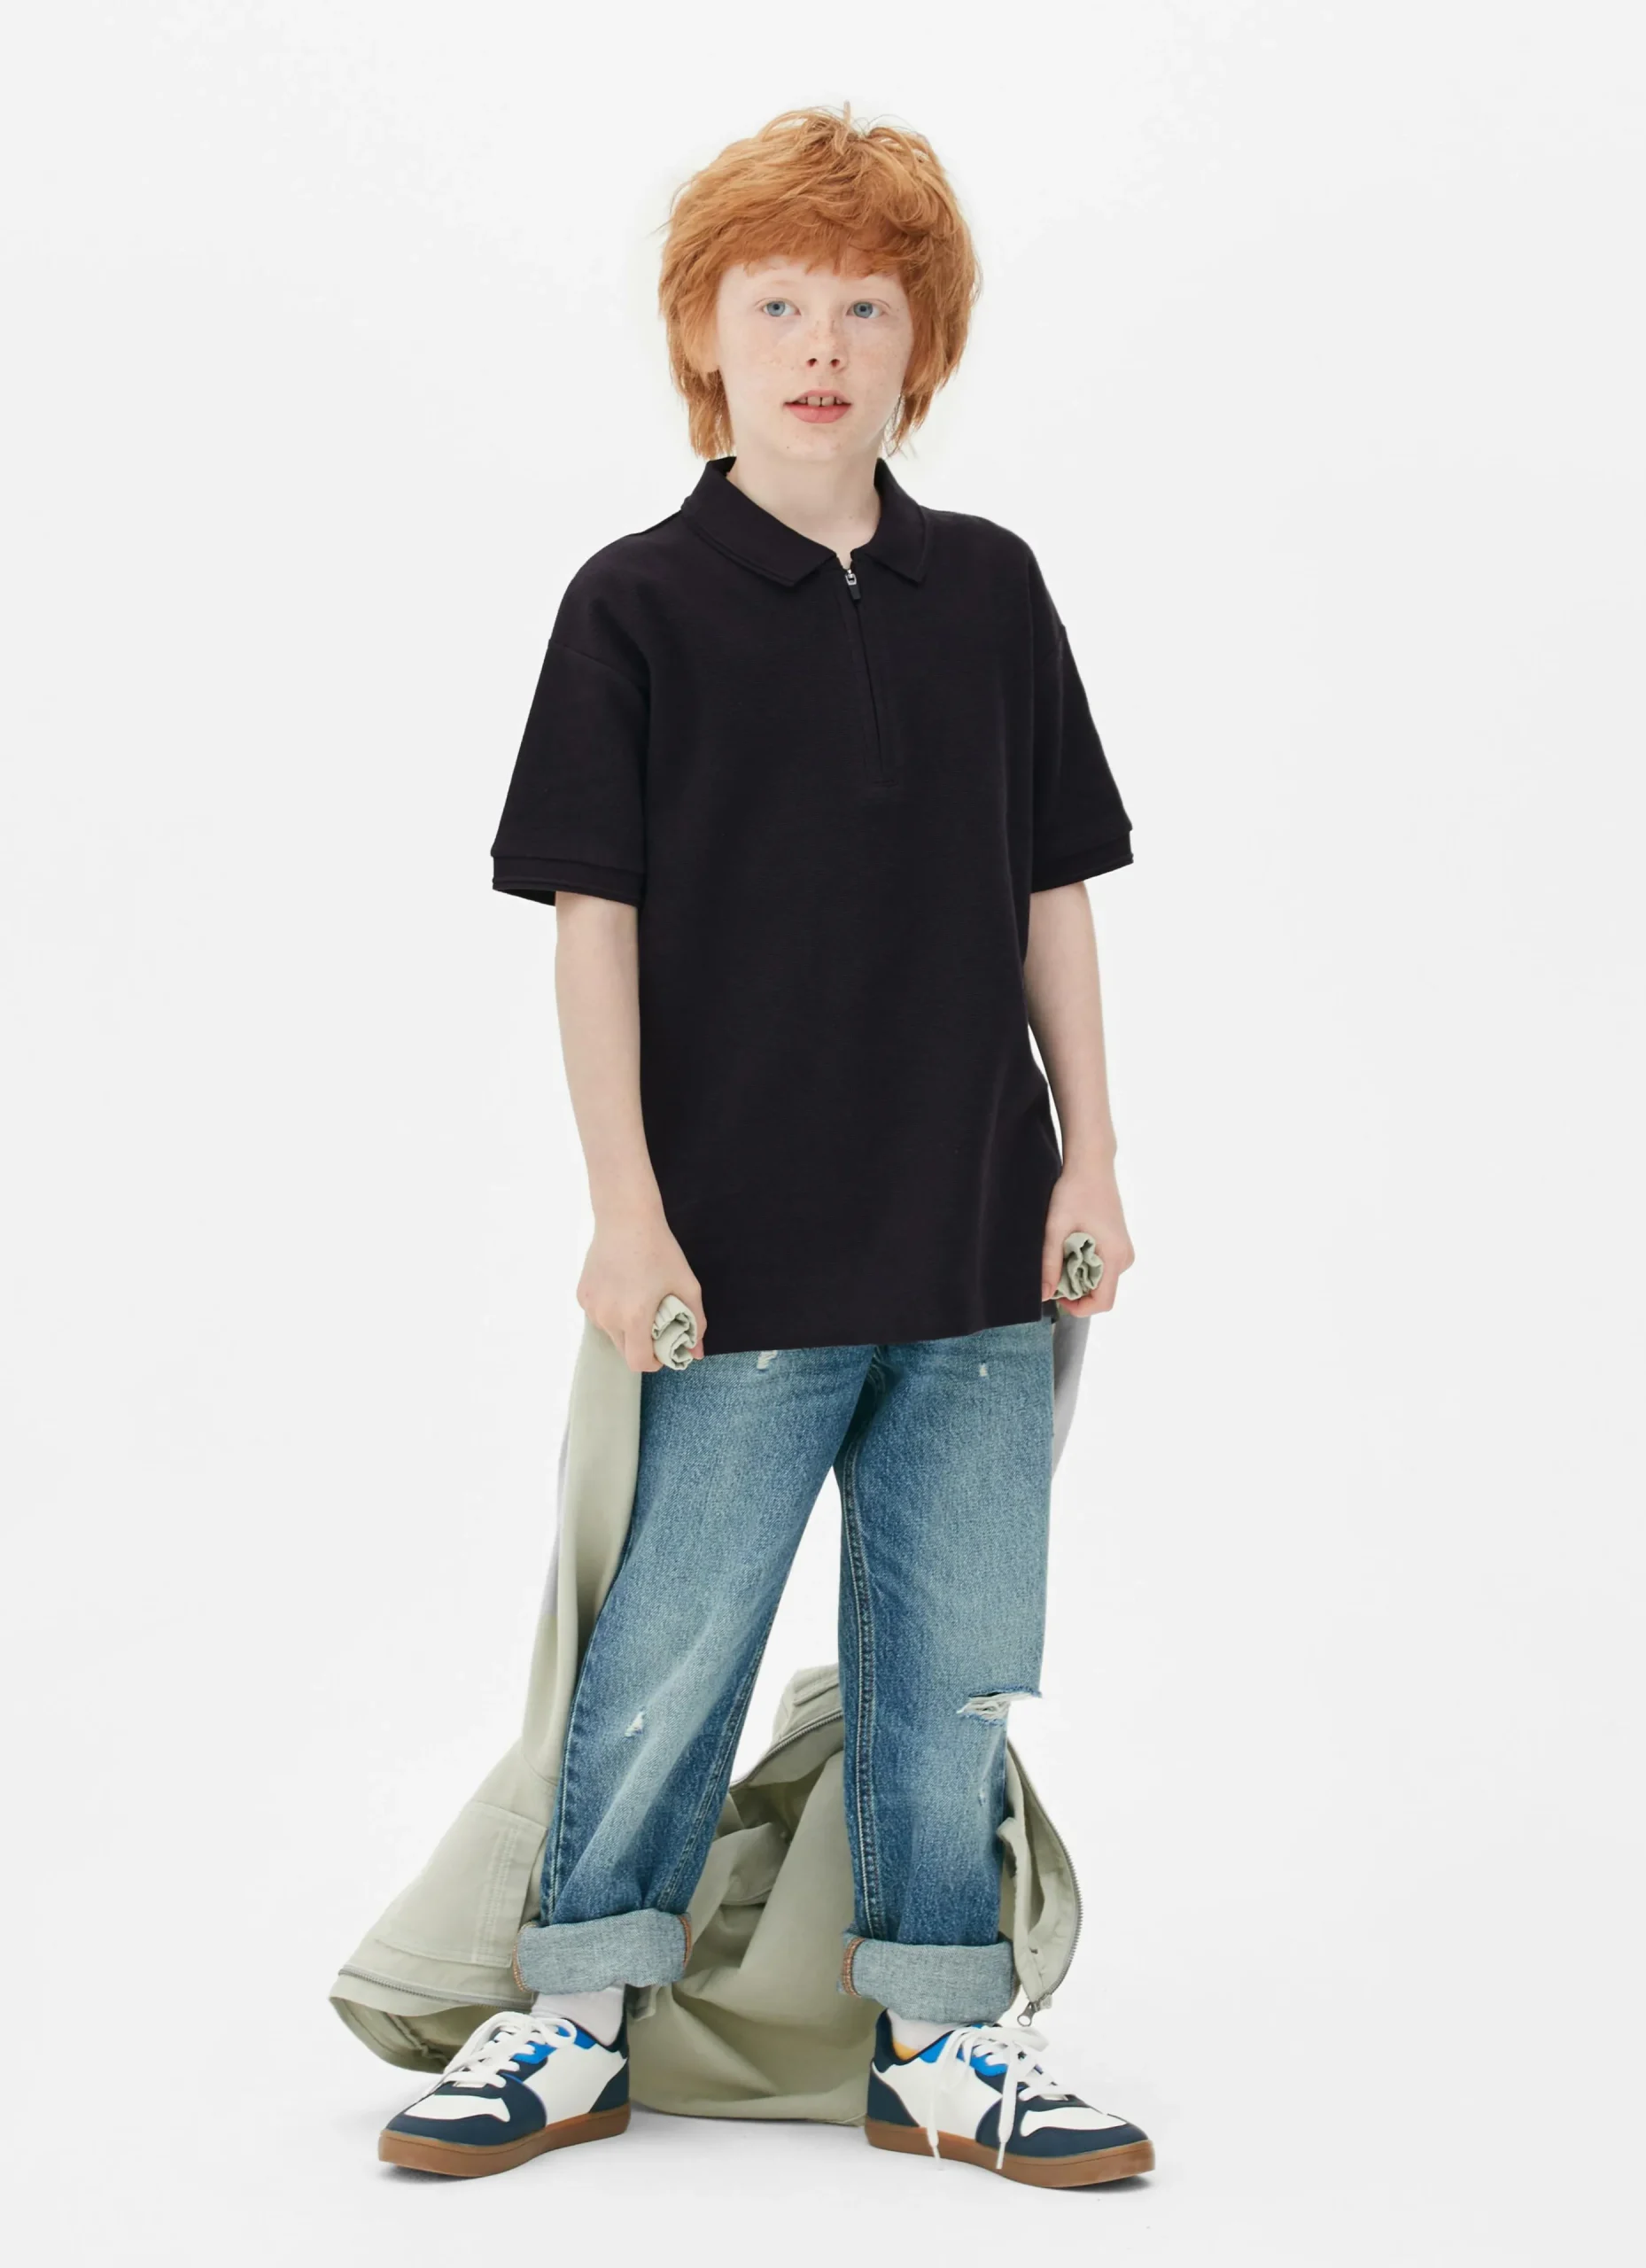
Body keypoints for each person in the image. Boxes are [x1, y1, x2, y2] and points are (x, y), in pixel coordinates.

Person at [377, 102, 1154, 2188]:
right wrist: (624, 1212)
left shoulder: (993, 592)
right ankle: (573, 2011)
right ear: (704, 338)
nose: (823, 345)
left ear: (926, 346)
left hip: (978, 1240)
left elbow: (1053, 888)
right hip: (735, 1255)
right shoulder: (636, 605)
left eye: (868, 308)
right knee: (668, 1650)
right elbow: (595, 928)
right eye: (780, 304)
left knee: (958, 1662)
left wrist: (1091, 1157)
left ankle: (945, 2035)